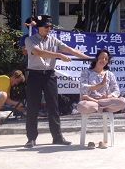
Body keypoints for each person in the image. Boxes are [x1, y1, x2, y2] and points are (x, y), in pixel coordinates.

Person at [24, 14, 91, 148]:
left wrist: (88, 58)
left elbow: (69, 49)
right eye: (46, 26)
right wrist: (59, 55)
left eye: (50, 26)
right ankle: (31, 138)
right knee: (33, 107)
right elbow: (38, 52)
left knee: (54, 107)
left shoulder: (53, 40)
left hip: (49, 75)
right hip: (34, 75)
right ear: (39, 28)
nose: (49, 29)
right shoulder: (30, 40)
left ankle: (58, 137)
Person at [76, 49, 125, 148]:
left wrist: (109, 96)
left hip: (106, 101)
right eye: (101, 57)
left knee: (123, 101)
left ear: (108, 61)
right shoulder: (86, 72)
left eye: (106, 59)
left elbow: (116, 90)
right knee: (82, 106)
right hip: (91, 102)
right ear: (96, 58)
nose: (103, 60)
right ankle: (102, 106)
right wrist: (100, 85)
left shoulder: (109, 74)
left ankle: (101, 105)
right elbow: (84, 89)